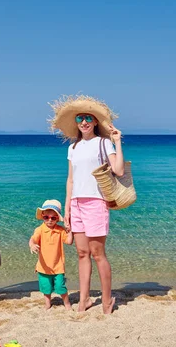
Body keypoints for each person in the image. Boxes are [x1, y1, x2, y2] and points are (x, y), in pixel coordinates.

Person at [50, 94, 125, 314]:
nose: (83, 121)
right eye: (80, 118)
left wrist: (118, 142)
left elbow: (119, 170)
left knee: (97, 253)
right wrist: (67, 209)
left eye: (88, 118)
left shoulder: (104, 143)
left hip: (96, 202)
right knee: (82, 253)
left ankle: (106, 300)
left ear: (95, 122)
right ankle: (84, 300)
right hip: (76, 203)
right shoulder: (72, 148)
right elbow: (70, 179)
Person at [29, 199, 73, 310]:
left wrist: (70, 231)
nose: (49, 220)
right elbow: (32, 239)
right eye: (46, 217)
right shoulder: (39, 230)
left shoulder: (60, 230)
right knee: (46, 288)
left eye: (53, 218)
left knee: (60, 286)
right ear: (42, 216)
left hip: (58, 266)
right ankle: (47, 304)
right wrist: (32, 245)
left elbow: (69, 242)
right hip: (43, 266)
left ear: (57, 218)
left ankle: (67, 303)